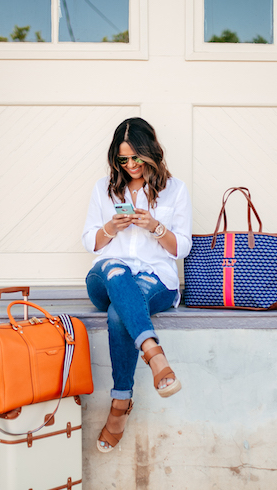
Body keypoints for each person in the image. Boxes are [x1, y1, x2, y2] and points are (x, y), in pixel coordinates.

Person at [81, 117, 192, 453]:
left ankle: (120, 403)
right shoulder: (103, 189)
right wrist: (111, 228)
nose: (130, 165)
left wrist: (156, 227)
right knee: (115, 268)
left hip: (156, 279)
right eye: (122, 159)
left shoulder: (175, 190)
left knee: (120, 314)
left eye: (136, 159)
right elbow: (90, 241)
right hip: (107, 276)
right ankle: (154, 355)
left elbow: (181, 247)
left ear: (151, 154)